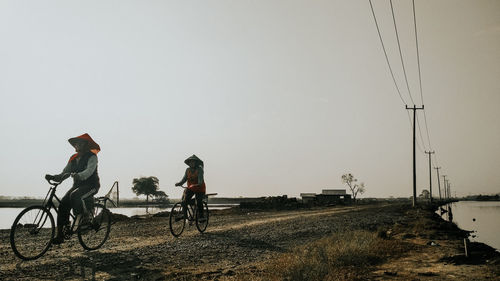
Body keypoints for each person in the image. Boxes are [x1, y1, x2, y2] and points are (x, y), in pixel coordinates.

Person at [45, 133, 101, 244]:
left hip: (91, 185)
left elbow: (89, 171)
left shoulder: (92, 157)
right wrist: (55, 177)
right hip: (77, 186)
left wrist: (79, 175)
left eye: (79, 143)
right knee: (63, 205)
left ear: (85, 145)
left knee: (75, 195)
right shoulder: (73, 158)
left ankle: (83, 220)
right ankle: (61, 234)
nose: (77, 145)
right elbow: (65, 173)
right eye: (75, 143)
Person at [175, 154, 206, 221]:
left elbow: (200, 181)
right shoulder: (187, 170)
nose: (192, 163)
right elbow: (184, 179)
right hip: (191, 188)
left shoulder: (200, 170)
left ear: (196, 163)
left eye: (193, 162)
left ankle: (201, 216)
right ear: (189, 163)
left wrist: (197, 184)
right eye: (190, 162)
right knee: (184, 201)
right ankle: (184, 214)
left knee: (198, 201)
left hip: (200, 188)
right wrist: (179, 183)